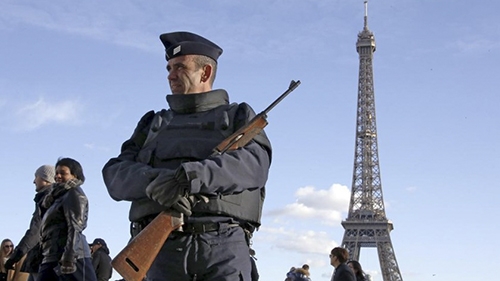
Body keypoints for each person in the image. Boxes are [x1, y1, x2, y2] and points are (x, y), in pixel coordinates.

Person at [102, 31, 272, 281]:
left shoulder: (239, 117)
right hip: (160, 249)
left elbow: (253, 165)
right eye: (169, 67)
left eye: (180, 67)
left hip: (222, 248)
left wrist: (188, 178)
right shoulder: (152, 123)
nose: (170, 75)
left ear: (205, 73)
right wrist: (158, 184)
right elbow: (115, 175)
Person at [37, 158, 97, 281]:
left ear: (74, 175)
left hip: (72, 256)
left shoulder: (74, 193)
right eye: (56, 172)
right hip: (52, 255)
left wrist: (69, 256)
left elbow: (75, 226)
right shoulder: (56, 196)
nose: (58, 176)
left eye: (63, 173)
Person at [5, 165, 55, 281]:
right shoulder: (47, 199)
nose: (33, 181)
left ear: (46, 178)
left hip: (43, 261)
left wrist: (15, 257)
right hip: (40, 261)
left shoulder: (46, 200)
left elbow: (35, 232)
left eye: (36, 177)